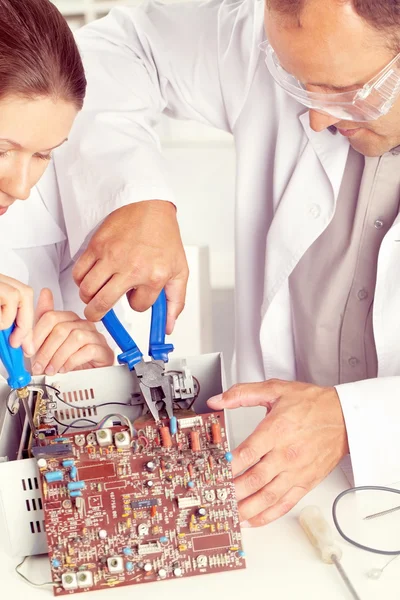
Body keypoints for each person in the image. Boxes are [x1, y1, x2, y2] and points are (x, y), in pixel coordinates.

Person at [54, 0, 400, 528]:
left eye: (350, 91)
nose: (320, 118)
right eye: (299, 84)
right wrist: (135, 195)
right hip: (277, 498)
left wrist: (356, 420)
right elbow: (110, 51)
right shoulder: (269, 38)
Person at [0, 0, 114, 378]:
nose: (20, 188)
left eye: (43, 155)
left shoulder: (53, 218)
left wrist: (87, 376)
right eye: (1, 150)